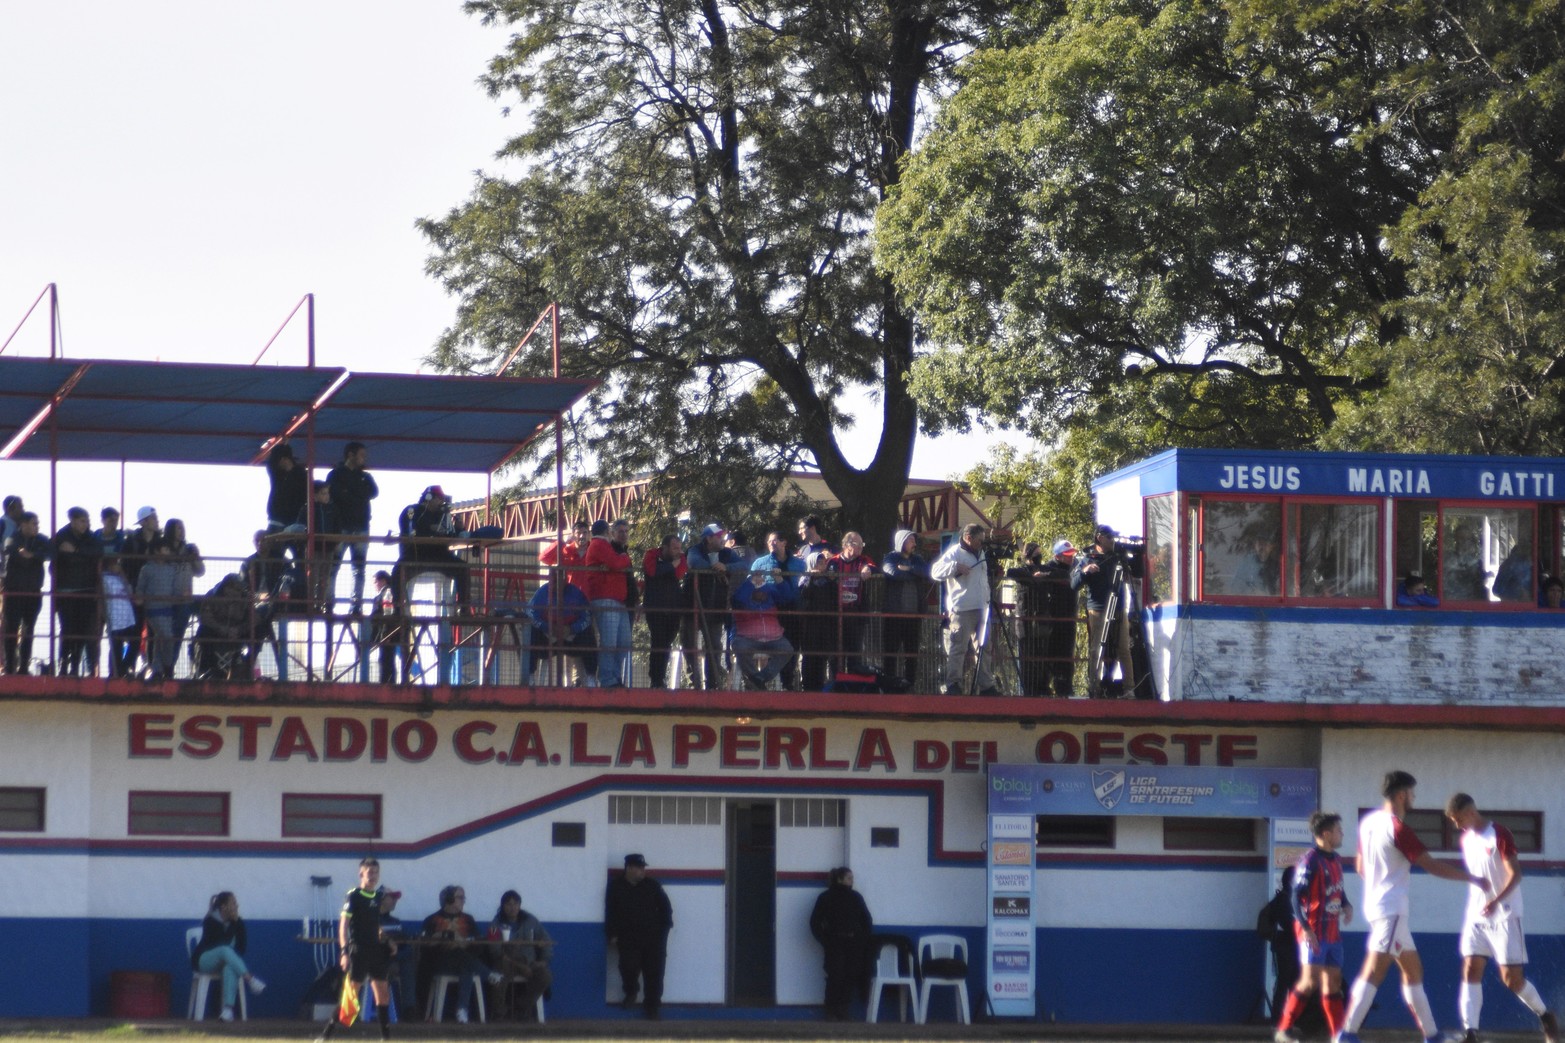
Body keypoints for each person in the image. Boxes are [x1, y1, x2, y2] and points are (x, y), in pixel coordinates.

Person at [1336, 769, 1488, 1043]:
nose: (1414, 798)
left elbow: (1360, 866)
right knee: (1374, 969)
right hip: (1390, 909)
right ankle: (1346, 1034)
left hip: (1379, 906)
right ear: (1402, 794)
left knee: (1413, 970)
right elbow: (1430, 864)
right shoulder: (1397, 828)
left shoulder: (1369, 823)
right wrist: (1472, 878)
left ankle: (1432, 1035)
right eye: (1412, 793)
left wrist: (1380, 881)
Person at [1445, 792, 1560, 1043]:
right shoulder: (1466, 840)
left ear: (1470, 812)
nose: (1456, 825)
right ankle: (1470, 1032)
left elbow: (1515, 874)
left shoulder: (1499, 834)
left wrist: (1495, 900)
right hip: (1476, 916)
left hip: (1505, 915)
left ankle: (1545, 1015)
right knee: (1470, 969)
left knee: (1511, 979)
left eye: (1457, 819)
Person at [1273, 813, 1352, 1043]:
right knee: (1309, 981)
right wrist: (1305, 928)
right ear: (1326, 834)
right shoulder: (1309, 860)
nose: (1342, 834)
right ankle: (1284, 1030)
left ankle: (1339, 1036)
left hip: (1333, 931)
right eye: (1339, 830)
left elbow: (1338, 887)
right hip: (1314, 931)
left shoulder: (1336, 858)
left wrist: (1346, 904)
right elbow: (1295, 897)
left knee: (1334, 982)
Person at [317, 856, 396, 1041]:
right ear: (361, 873)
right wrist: (344, 952)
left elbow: (374, 924)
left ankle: (386, 1038)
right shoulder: (354, 895)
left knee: (382, 995)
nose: (373, 876)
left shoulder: (378, 897)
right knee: (350, 998)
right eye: (369, 872)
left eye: (376, 873)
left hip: (376, 952)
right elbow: (343, 925)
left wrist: (386, 940)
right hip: (358, 951)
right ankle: (325, 1035)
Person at [1070, 524, 1143, 698]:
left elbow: (1139, 572)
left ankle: (1129, 689)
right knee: (1096, 649)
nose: (1113, 541)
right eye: (1109, 538)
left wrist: (1138, 555)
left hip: (1118, 608)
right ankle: (1094, 687)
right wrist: (1085, 572)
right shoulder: (1089, 557)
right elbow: (1074, 584)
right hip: (1098, 609)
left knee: (1124, 649)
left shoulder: (1118, 557)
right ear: (1100, 538)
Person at [931, 523, 1000, 696]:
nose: (982, 543)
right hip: (962, 609)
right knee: (958, 647)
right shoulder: (954, 552)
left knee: (984, 647)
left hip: (982, 607)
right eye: (979, 540)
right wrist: (954, 567)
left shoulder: (981, 553)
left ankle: (986, 685)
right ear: (968, 537)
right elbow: (935, 571)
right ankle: (953, 684)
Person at [604, 853, 673, 1020]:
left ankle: (653, 1007)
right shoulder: (616, 887)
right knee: (628, 967)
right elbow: (610, 911)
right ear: (629, 868)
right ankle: (631, 991)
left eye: (643, 868)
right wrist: (612, 934)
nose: (643, 871)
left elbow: (666, 909)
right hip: (628, 938)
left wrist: (663, 932)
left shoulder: (652, 885)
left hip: (653, 939)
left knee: (654, 973)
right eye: (639, 868)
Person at [421, 884, 503, 1023]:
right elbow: (423, 946)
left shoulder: (468, 919)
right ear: (449, 899)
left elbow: (477, 943)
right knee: (462, 958)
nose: (463, 901)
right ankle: (488, 974)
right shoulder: (432, 920)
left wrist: (461, 942)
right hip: (440, 963)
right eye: (460, 897)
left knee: (466, 965)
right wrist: (439, 937)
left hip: (464, 961)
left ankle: (461, 1010)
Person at [1008, 540, 1078, 697]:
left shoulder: (1049, 569)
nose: (1038, 557)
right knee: (1029, 656)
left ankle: (1049, 688)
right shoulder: (1022, 571)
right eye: (1036, 554)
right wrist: (1032, 574)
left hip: (1042, 620)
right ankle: (1031, 691)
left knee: (1043, 655)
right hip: (1026, 619)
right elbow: (1011, 572)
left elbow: (1063, 574)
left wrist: (1043, 575)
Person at [809, 866, 873, 1021]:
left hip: (853, 943)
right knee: (835, 975)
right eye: (849, 878)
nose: (852, 881)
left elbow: (866, 920)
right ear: (840, 879)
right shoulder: (826, 897)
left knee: (850, 975)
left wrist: (861, 939)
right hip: (835, 942)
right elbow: (815, 922)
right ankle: (831, 1010)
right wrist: (826, 941)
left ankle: (843, 1010)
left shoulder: (856, 897)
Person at [191, 891, 266, 1022]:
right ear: (223, 907)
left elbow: (241, 948)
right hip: (204, 960)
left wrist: (236, 923)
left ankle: (227, 1010)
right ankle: (250, 979)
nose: (237, 906)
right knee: (225, 949)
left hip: (224, 961)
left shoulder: (237, 922)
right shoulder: (210, 921)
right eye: (233, 903)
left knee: (230, 968)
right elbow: (219, 944)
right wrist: (232, 924)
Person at [395, 486, 471, 612]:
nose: (441, 502)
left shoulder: (442, 514)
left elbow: (450, 535)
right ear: (429, 497)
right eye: (439, 498)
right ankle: (398, 609)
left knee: (463, 568)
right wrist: (430, 529)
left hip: (439, 556)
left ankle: (464, 608)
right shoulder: (412, 510)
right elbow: (410, 531)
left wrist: (459, 528)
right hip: (415, 556)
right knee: (397, 573)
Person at [729, 561, 799, 689]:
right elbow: (737, 600)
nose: (759, 579)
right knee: (739, 647)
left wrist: (779, 580)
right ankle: (756, 678)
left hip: (774, 637)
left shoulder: (770, 591)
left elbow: (787, 598)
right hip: (746, 637)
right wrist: (750, 583)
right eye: (756, 575)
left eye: (761, 576)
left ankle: (760, 678)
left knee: (787, 649)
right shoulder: (743, 591)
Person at [328, 441, 379, 613]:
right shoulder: (336, 474)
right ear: (351, 455)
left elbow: (374, 492)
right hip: (341, 527)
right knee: (333, 567)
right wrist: (357, 495)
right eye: (361, 455)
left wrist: (349, 493)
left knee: (359, 569)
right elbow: (336, 495)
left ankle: (356, 605)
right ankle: (328, 602)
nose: (364, 459)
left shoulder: (365, 476)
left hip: (361, 528)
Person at [51, 506, 102, 677]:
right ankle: (64, 665)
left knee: (81, 630)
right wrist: (81, 557)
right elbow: (55, 562)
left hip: (86, 590)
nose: (86, 524)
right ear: (72, 521)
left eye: (87, 521)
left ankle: (74, 666)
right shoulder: (61, 537)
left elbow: (97, 552)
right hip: (66, 591)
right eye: (82, 521)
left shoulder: (91, 537)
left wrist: (76, 552)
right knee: (67, 629)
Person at [488, 890, 553, 1020]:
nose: (512, 908)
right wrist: (519, 966)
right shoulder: (495, 925)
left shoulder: (531, 921)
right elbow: (493, 950)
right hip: (506, 962)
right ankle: (499, 1012)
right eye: (508, 904)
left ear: (519, 905)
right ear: (502, 906)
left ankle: (520, 1007)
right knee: (498, 975)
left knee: (545, 976)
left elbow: (546, 941)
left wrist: (544, 961)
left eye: (515, 904)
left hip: (529, 962)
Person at [524, 570, 598, 685]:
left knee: (589, 634)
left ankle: (591, 677)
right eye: (553, 579)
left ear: (565, 579)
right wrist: (548, 627)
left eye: (559, 579)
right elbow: (530, 614)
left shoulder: (577, 594)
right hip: (548, 638)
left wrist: (572, 629)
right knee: (531, 633)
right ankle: (529, 676)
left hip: (571, 637)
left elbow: (587, 616)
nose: (556, 583)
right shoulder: (541, 593)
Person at [584, 518, 634, 688]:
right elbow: (616, 563)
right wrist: (623, 560)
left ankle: (614, 676)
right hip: (605, 598)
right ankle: (607, 679)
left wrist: (616, 563)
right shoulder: (599, 545)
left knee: (624, 642)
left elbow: (613, 564)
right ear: (608, 532)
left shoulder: (602, 546)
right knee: (610, 642)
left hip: (618, 600)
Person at [684, 523, 734, 689]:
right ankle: (694, 684)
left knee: (714, 647)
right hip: (692, 607)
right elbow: (694, 563)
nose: (722, 539)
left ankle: (712, 684)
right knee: (690, 645)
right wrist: (716, 569)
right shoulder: (694, 550)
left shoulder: (726, 553)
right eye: (719, 536)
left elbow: (744, 565)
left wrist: (726, 567)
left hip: (715, 608)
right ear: (708, 538)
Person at [880, 529, 929, 691]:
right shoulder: (891, 557)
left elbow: (927, 572)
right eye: (910, 540)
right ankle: (889, 686)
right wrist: (915, 573)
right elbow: (892, 572)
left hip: (914, 616)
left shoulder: (918, 559)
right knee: (890, 653)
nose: (914, 544)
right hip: (894, 615)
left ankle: (910, 685)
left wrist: (908, 569)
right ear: (901, 542)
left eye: (914, 540)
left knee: (912, 653)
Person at [2, 512, 50, 675]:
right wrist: (35, 556)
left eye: (37, 523)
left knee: (29, 630)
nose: (37, 527)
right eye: (33, 523)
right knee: (11, 630)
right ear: (23, 524)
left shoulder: (41, 539)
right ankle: (9, 667)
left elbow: (51, 553)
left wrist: (32, 555)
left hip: (33, 592)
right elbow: (12, 551)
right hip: (14, 592)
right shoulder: (13, 538)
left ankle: (23, 667)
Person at [825, 532, 876, 675]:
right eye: (857, 544)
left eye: (862, 545)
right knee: (835, 653)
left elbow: (873, 566)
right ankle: (835, 683)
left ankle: (853, 685)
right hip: (836, 614)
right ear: (847, 545)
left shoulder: (862, 560)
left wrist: (868, 569)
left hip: (856, 614)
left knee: (855, 652)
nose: (860, 547)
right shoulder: (833, 562)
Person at [642, 535, 689, 688]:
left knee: (667, 644)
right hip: (655, 607)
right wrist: (670, 567)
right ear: (665, 547)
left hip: (674, 608)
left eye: (679, 548)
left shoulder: (681, 558)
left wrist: (669, 568)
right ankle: (655, 679)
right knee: (658, 642)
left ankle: (660, 679)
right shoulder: (651, 555)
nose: (678, 551)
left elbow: (679, 573)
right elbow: (652, 571)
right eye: (675, 548)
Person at [135, 538, 180, 680]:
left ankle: (158, 669)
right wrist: (139, 598)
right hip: (153, 608)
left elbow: (174, 588)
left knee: (162, 638)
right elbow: (140, 587)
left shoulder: (171, 569)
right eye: (165, 549)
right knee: (166, 636)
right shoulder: (147, 569)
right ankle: (167, 666)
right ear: (156, 551)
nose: (167, 552)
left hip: (168, 609)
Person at [195, 573, 253, 680]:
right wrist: (222, 629)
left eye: (240, 589)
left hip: (237, 632)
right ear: (227, 588)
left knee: (255, 633)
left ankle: (247, 670)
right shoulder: (212, 596)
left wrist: (239, 630)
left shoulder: (246, 599)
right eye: (236, 589)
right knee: (203, 632)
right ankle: (208, 670)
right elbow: (205, 617)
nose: (239, 592)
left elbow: (252, 619)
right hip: (216, 632)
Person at [163, 518, 206, 661]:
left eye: (182, 528)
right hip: (166, 600)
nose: (182, 531)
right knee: (164, 636)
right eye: (178, 528)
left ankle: (170, 666)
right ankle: (160, 667)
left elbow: (200, 571)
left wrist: (195, 557)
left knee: (178, 634)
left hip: (184, 600)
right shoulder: (163, 549)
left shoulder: (189, 549)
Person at [798, 550, 838, 691]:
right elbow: (804, 595)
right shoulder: (805, 579)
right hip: (809, 623)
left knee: (822, 656)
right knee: (809, 656)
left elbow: (834, 597)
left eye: (823, 562)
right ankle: (807, 686)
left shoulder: (829, 581)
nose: (821, 565)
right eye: (818, 562)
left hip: (825, 623)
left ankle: (820, 687)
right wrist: (811, 579)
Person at [101, 555, 139, 679]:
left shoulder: (121, 578)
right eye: (114, 563)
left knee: (135, 641)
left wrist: (122, 575)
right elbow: (104, 598)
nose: (117, 565)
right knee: (116, 646)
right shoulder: (103, 578)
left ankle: (125, 667)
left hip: (127, 616)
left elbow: (129, 592)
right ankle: (114, 672)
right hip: (114, 617)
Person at [368, 571, 405, 685]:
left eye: (375, 582)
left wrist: (386, 634)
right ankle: (388, 682)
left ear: (383, 580)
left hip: (387, 634)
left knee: (386, 659)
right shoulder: (387, 592)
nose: (374, 585)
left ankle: (386, 683)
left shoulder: (387, 593)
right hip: (387, 633)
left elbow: (387, 614)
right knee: (387, 659)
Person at [265, 443, 309, 538]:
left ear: (283, 459)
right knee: (274, 550)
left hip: (293, 519)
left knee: (295, 551)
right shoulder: (277, 474)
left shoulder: (301, 475)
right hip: (279, 518)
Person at [539, 520, 592, 591]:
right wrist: (562, 542)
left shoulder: (594, 551)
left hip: (590, 597)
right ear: (572, 534)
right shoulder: (566, 551)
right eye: (578, 533)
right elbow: (544, 558)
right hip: (569, 596)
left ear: (589, 534)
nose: (581, 536)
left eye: (585, 533)